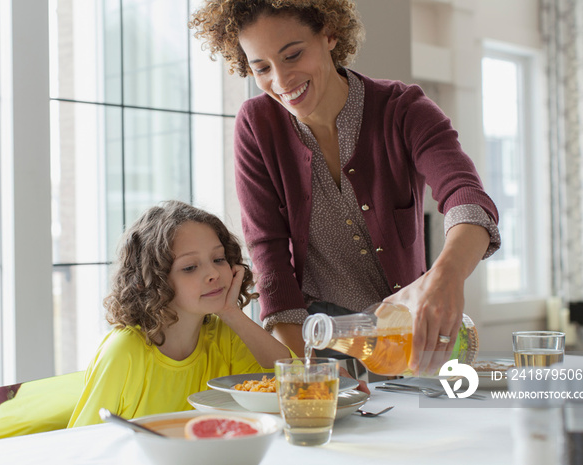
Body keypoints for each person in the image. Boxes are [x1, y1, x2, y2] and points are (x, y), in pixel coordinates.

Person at [189, 0, 500, 375]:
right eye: (262, 68)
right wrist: (306, 369)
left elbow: (466, 197)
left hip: (407, 334)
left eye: (293, 55)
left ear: (330, 33)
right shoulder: (257, 127)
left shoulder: (404, 110)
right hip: (318, 337)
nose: (282, 81)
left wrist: (444, 280)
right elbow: (268, 254)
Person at [68, 200, 292, 427]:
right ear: (152, 280)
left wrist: (231, 313)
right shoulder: (123, 351)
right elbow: (82, 443)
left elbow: (292, 381)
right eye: (189, 267)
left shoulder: (226, 336)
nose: (213, 273)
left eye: (218, 259)